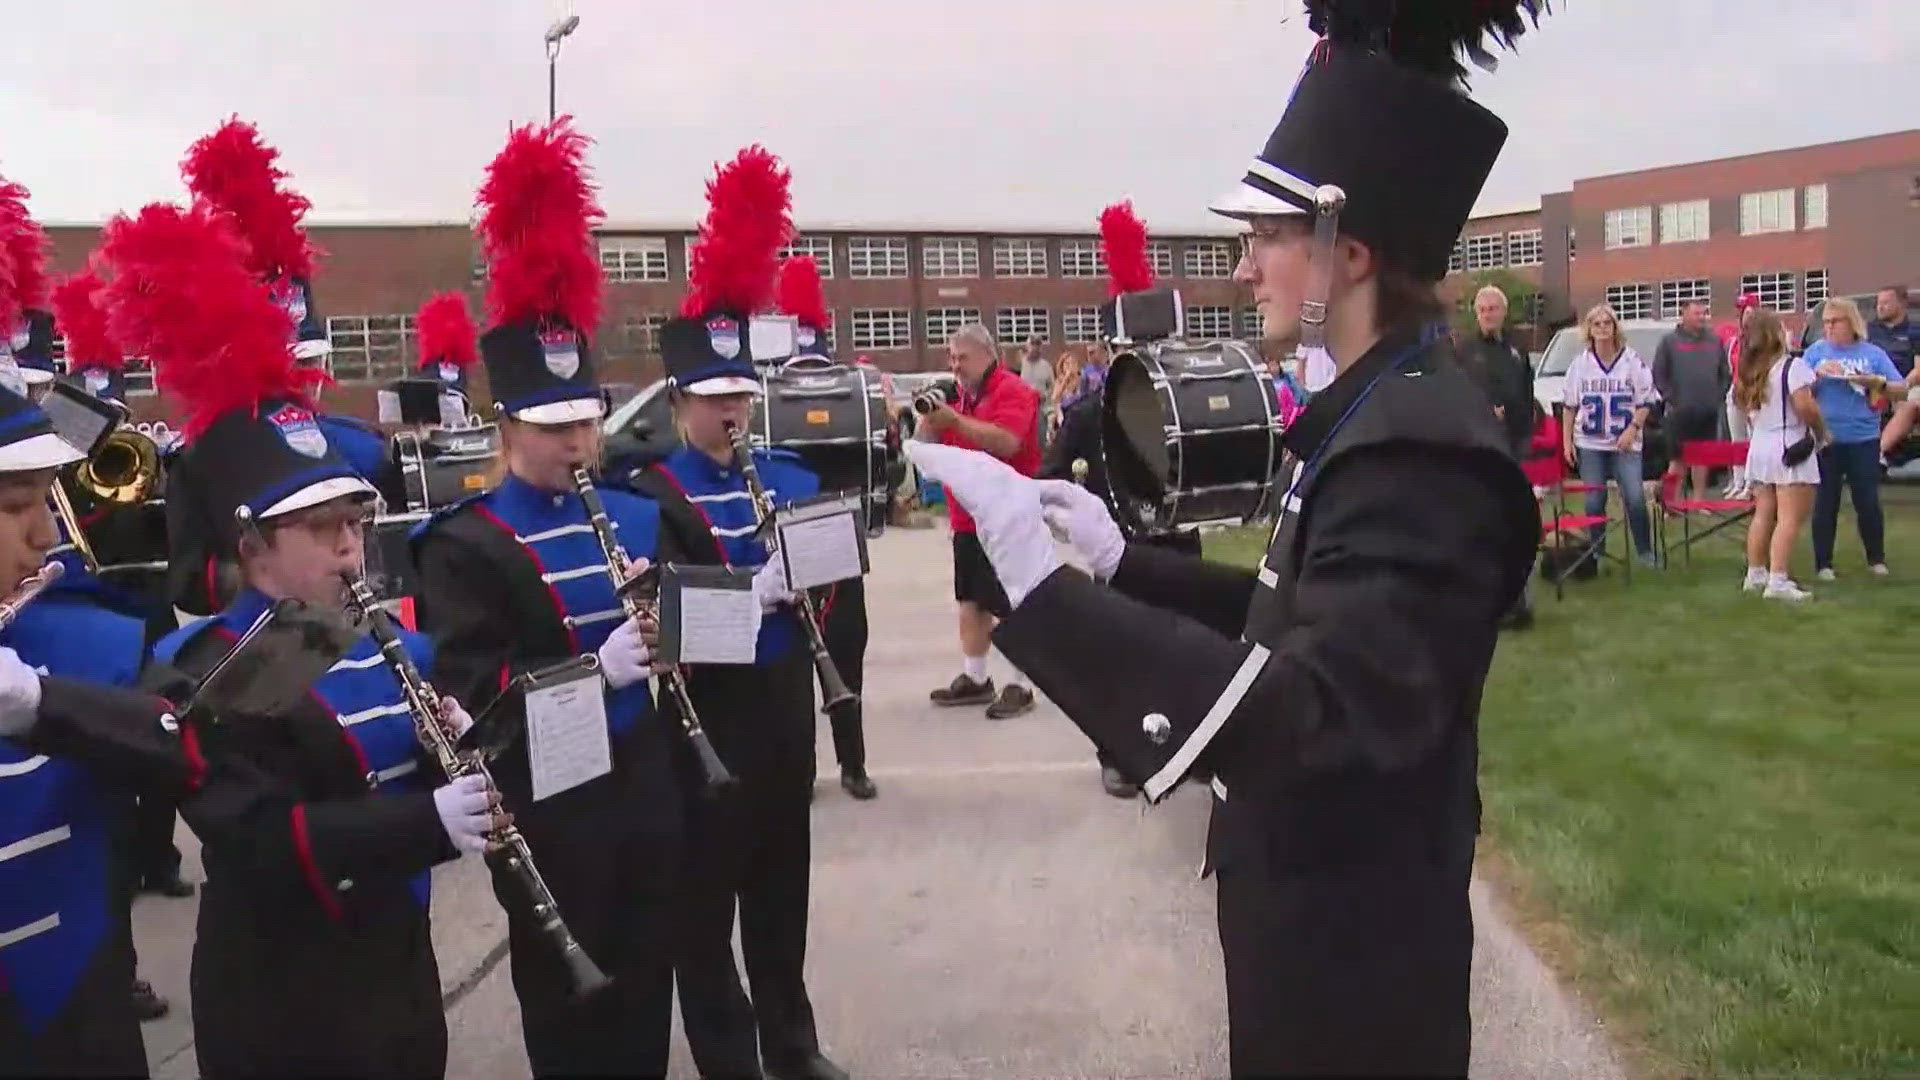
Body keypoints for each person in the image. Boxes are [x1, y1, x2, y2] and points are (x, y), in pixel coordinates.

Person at [905, 4, 1541, 1073]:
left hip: (1358, 942)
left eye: (1267, 239)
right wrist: (1117, 567)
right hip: (1317, 907)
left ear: (1348, 253)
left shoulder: (1414, 448)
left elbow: (1320, 716)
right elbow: (1293, 624)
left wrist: (1047, 600)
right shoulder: (1372, 412)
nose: (1246, 269)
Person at [101, 199, 492, 1080]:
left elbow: (400, 771)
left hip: (398, 963)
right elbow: (261, 841)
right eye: (321, 529)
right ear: (251, 547)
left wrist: (454, 754)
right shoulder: (204, 674)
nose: (353, 545)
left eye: (354, 521)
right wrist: (425, 819)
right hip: (283, 993)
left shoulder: (386, 639)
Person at [409, 118, 685, 1078]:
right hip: (552, 809)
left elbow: (692, 626)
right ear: (508, 423)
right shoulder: (464, 543)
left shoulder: (637, 513)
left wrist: (692, 621)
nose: (576, 443)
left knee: (650, 991)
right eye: (553, 425)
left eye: (584, 420)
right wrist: (594, 669)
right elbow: (476, 697)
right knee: (570, 1014)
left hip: (647, 791)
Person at [626, 146, 848, 1080]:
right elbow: (665, 626)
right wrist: (754, 592)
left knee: (781, 902)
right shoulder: (648, 494)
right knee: (703, 916)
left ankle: (792, 1049)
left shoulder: (792, 474)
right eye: (714, 400)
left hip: (784, 715)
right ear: (680, 402)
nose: (731, 415)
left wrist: (817, 584)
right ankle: (728, 1060)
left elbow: (841, 583)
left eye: (741, 396)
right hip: (702, 728)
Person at [0, 377, 206, 1079]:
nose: (46, 534)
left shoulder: (80, 636)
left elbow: (187, 743)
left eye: (45, 502)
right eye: (16, 507)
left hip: (78, 1017)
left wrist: (37, 700)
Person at [774, 255, 877, 802]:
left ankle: (853, 764)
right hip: (788, 550)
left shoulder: (849, 400)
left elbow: (878, 466)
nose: (810, 377)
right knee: (793, 674)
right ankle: (805, 770)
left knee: (846, 663)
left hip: (839, 547)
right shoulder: (771, 403)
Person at [917, 323, 1041, 720]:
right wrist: (928, 417)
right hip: (967, 520)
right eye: (951, 358)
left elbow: (1008, 441)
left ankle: (1023, 683)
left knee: (1016, 603)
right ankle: (976, 677)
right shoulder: (960, 398)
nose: (955, 366)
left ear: (989, 355)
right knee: (971, 600)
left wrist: (955, 422)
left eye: (962, 357)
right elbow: (922, 450)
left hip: (1008, 516)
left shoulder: (1014, 390)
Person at [1803, 297, 1900, 579]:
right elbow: (1796, 390)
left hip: (1864, 438)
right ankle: (1823, 564)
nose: (1829, 328)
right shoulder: (1815, 352)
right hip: (1827, 438)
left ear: (1852, 322)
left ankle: (1876, 559)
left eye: (1835, 321)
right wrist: (1816, 376)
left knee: (1867, 501)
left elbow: (1900, 389)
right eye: (1826, 323)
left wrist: (1875, 382)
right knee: (1826, 502)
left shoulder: (1872, 354)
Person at [1732, 309, 1826, 601]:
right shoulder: (1790, 367)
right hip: (1788, 444)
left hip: (1760, 444)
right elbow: (1805, 407)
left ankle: (1756, 573)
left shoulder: (1749, 370)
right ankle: (1778, 580)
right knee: (1789, 517)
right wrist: (1821, 432)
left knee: (1763, 513)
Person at [1561, 302, 1659, 567]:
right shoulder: (1580, 365)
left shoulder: (1631, 360)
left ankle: (1644, 552)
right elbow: (1569, 407)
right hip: (1589, 442)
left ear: (1615, 328)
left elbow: (1646, 401)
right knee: (1594, 501)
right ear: (1589, 330)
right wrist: (1566, 441)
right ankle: (1597, 553)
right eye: (1597, 324)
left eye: (1608, 323)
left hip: (1624, 443)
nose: (1603, 328)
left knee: (1635, 497)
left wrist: (1632, 429)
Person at [1654, 298, 1732, 502]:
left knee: (1702, 458)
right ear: (1684, 313)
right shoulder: (1669, 342)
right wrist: (1672, 398)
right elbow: (1659, 374)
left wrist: (1718, 395)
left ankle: (1699, 501)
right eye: (1696, 313)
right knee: (1677, 459)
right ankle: (1672, 503)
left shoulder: (1714, 341)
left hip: (1707, 410)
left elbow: (1725, 373)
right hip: (1679, 412)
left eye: (1703, 313)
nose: (1701, 318)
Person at [1457, 284, 1536, 456]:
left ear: (1503, 311)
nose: (1487, 315)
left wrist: (1528, 431)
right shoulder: (1465, 350)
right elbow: (1457, 393)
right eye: (1482, 310)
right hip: (1479, 439)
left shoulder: (1517, 346)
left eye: (1492, 309)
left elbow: (1527, 389)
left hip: (1515, 438)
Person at [1868, 285, 1919, 460]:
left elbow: (1918, 369)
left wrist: (1900, 387)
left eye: (1886, 302)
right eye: (1878, 303)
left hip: (1905, 385)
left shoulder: (1915, 330)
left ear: (1902, 304)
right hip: (1871, 385)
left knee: (1911, 405)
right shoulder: (1868, 330)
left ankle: (1875, 456)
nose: (1880, 307)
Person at [1719, 292, 1762, 496]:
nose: (1744, 316)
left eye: (1748, 311)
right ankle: (1738, 480)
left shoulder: (1763, 340)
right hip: (1736, 390)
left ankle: (1751, 483)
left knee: (1754, 439)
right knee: (1737, 440)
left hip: (1755, 393)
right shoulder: (1735, 342)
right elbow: (1730, 367)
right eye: (1742, 312)